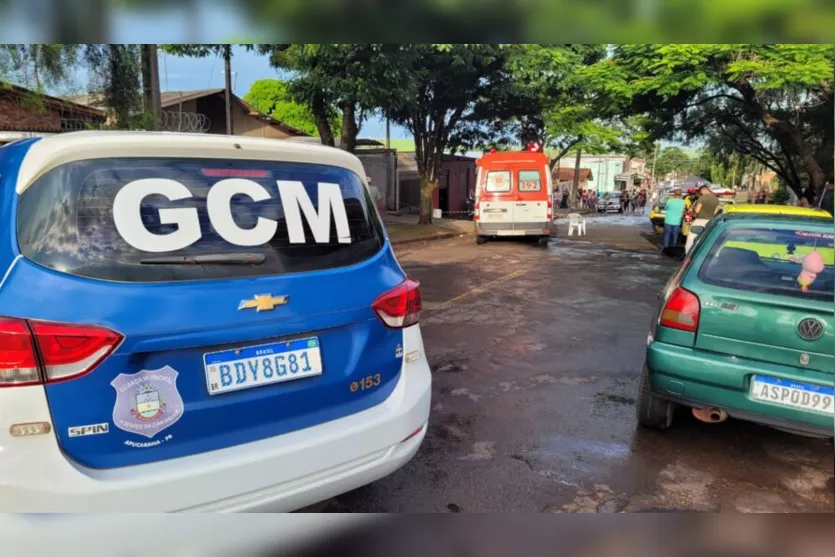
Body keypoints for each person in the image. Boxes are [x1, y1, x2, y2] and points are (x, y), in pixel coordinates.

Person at [684, 185, 720, 254]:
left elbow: (697, 211)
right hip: (710, 222)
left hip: (699, 221)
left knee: (691, 239)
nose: (700, 193)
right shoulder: (716, 199)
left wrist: (694, 208)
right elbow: (715, 212)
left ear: (703, 190)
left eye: (700, 192)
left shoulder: (702, 198)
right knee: (707, 239)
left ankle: (688, 254)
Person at [662, 188, 686, 253]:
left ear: (674, 194)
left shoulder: (669, 201)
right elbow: (684, 210)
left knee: (667, 234)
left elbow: (665, 208)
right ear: (681, 195)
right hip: (677, 221)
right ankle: (673, 247)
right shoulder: (683, 202)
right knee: (675, 235)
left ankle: (666, 248)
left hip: (668, 220)